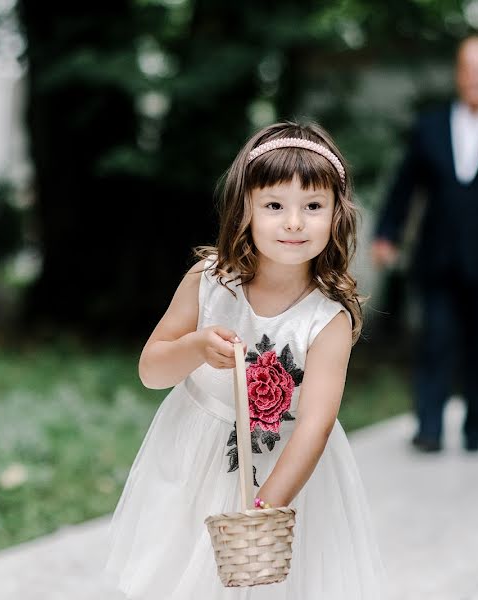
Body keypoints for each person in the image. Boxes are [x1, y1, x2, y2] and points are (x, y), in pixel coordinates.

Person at [105, 122, 384, 598]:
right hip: (193, 455)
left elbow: (316, 424)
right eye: (274, 205)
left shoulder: (327, 318)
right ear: (245, 211)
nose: (294, 222)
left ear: (336, 216)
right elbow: (151, 371)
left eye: (313, 207)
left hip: (284, 470)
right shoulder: (210, 281)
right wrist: (194, 347)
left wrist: (263, 508)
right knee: (177, 576)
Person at [372, 35, 478, 453]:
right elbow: (404, 185)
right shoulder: (429, 125)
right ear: (458, 74)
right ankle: (429, 428)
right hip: (437, 258)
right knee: (435, 341)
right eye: (469, 69)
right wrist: (387, 233)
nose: (477, 78)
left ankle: (477, 428)